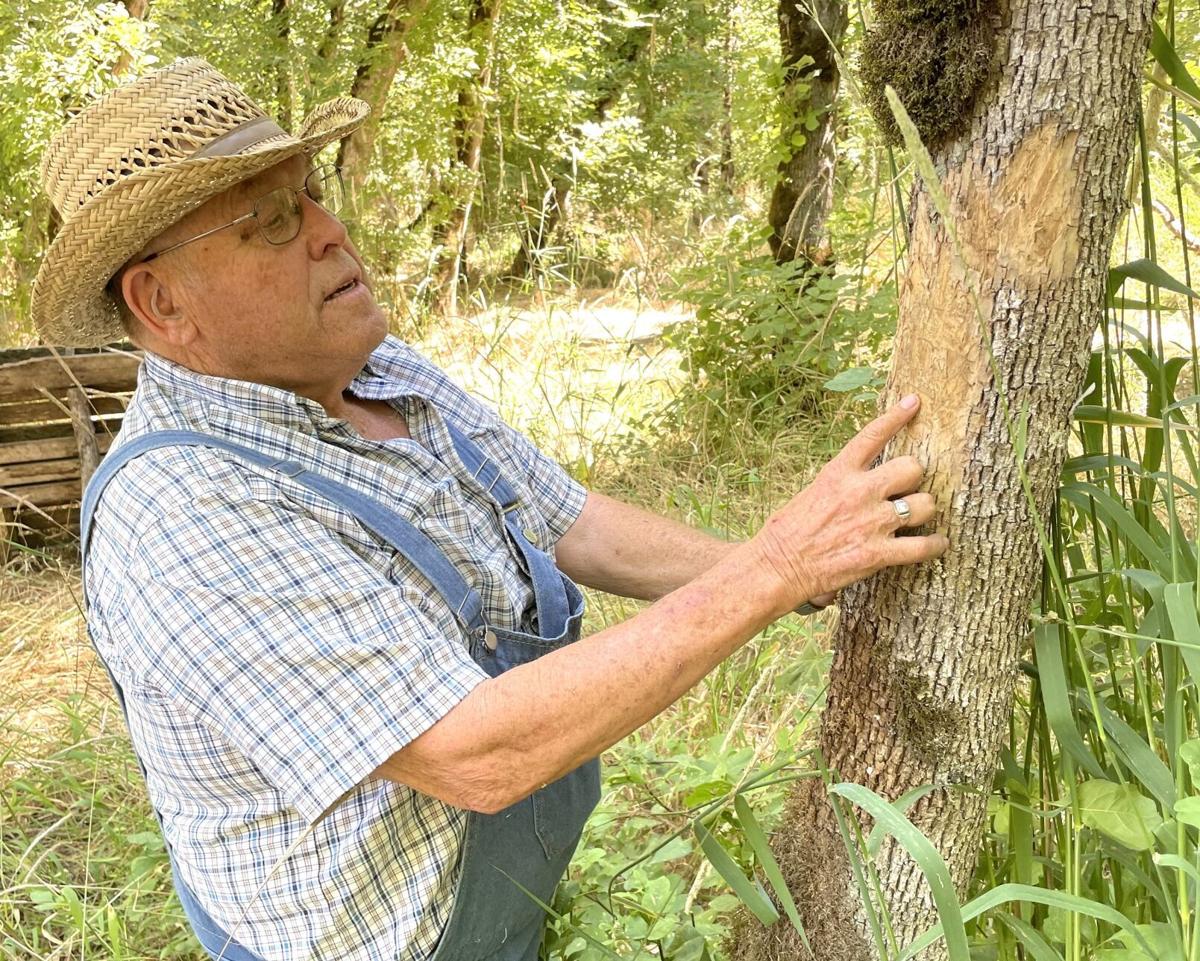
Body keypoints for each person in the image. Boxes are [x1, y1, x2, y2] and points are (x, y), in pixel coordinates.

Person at [33, 59, 948, 961]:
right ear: (161, 302)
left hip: (488, 912)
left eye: (310, 193)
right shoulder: (190, 517)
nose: (329, 231)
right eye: (271, 220)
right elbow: (473, 755)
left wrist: (816, 575)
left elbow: (572, 522)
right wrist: (777, 565)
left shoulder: (377, 374)